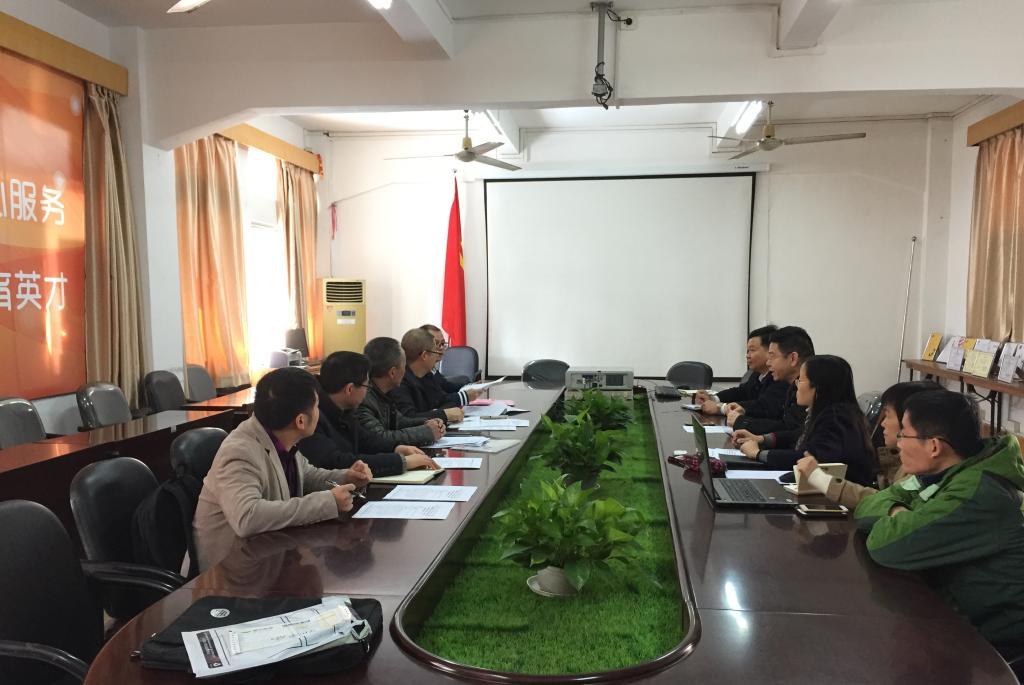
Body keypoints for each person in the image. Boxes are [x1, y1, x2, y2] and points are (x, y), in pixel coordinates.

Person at [855, 390, 1024, 656]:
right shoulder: (941, 473)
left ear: (934, 446)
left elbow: (885, 545)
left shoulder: (977, 494)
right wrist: (899, 511)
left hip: (995, 648)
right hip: (953, 621)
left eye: (904, 435)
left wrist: (900, 518)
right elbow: (866, 507)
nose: (898, 443)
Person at [193, 367, 372, 570]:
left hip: (272, 556)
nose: (319, 412)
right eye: (316, 406)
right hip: (236, 570)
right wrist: (327, 502)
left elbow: (307, 475)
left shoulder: (279, 436)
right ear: (301, 421)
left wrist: (346, 477)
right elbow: (248, 517)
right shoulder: (240, 451)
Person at [733, 354, 876, 484]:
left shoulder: (836, 420)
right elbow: (797, 435)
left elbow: (807, 460)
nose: (796, 386)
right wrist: (761, 439)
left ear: (818, 388)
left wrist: (758, 453)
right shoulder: (831, 412)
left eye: (800, 380)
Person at [795, 380, 941, 506]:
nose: (882, 423)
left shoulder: (922, 470)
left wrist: (819, 477)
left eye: (887, 415)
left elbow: (883, 502)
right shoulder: (901, 462)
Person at [298, 350, 439, 475]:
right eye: (366, 385)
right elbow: (336, 461)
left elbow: (367, 440)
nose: (368, 391)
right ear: (349, 389)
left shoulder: (344, 409)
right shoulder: (312, 415)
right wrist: (402, 462)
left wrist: (396, 448)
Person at [730, 326, 814, 446]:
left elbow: (793, 431)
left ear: (793, 358)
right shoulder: (791, 386)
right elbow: (785, 425)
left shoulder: (811, 390)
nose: (768, 363)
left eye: (772, 356)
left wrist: (744, 423)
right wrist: (761, 439)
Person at [357, 336, 445, 446]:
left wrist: (427, 423)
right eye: (404, 365)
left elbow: (400, 421)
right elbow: (380, 438)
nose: (405, 370)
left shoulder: (383, 392)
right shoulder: (362, 398)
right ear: (392, 373)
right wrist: (427, 432)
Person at [695, 325, 783, 415]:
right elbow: (741, 392)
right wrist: (714, 398)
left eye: (752, 350)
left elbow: (763, 406)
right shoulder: (757, 374)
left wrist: (721, 408)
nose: (747, 355)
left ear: (770, 351)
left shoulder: (780, 377)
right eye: (747, 351)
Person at [392, 328, 466, 423]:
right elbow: (408, 418)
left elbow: (442, 400)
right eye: (435, 351)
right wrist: (444, 414)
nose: (438, 355)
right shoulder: (400, 381)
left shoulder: (427, 375)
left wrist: (440, 412)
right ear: (424, 355)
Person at [419, 323, 481, 406]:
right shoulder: (420, 371)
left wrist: (471, 386)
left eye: (442, 344)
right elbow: (438, 400)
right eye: (436, 344)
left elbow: (446, 386)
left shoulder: (432, 369)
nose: (441, 348)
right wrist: (464, 396)